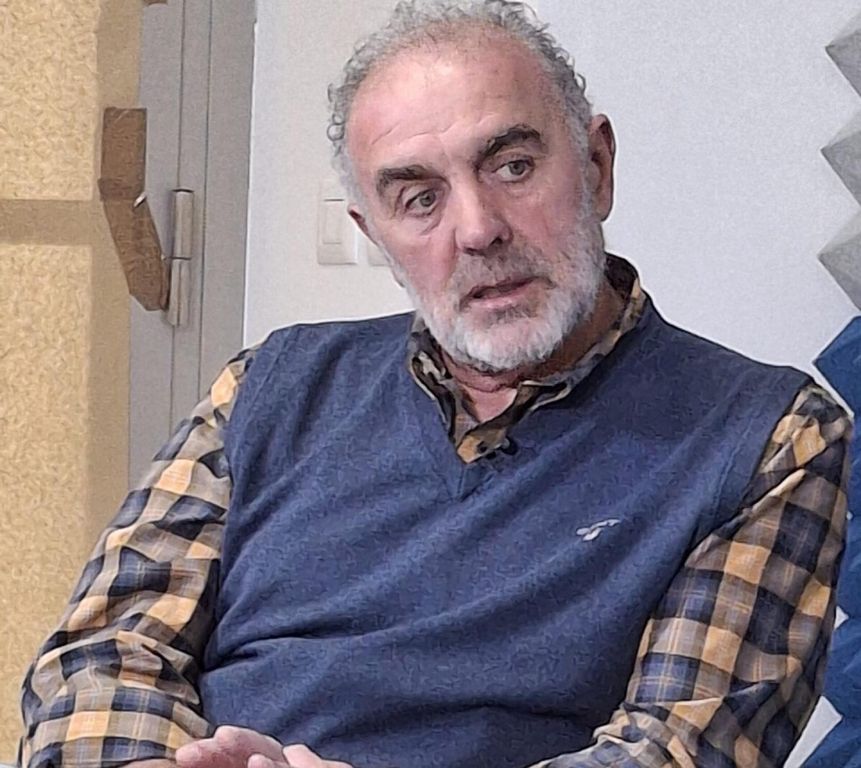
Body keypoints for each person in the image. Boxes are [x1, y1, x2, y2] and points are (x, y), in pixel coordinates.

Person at [20, 2, 851, 767]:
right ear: (375, 234)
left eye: (513, 166)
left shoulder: (768, 436)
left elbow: (675, 753)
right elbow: (101, 655)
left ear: (596, 167)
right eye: (418, 198)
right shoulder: (269, 385)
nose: (478, 228)